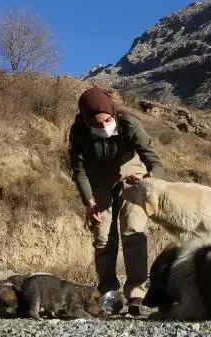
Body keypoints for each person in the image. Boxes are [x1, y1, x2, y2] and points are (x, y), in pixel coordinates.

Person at [68, 87, 163, 316]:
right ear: (87, 121)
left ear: (113, 113)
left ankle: (136, 295)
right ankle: (108, 291)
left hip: (131, 172)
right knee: (102, 236)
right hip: (97, 176)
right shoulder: (79, 132)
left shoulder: (129, 124)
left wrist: (148, 180)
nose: (104, 128)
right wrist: (89, 203)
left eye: (108, 121)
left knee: (133, 229)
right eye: (97, 125)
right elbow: (79, 171)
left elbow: (154, 162)